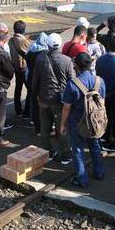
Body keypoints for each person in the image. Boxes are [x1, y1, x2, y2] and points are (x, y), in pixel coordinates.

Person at [60, 52, 106, 188]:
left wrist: (62, 125)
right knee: (95, 146)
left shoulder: (72, 84)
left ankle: (82, 179)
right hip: (95, 120)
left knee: (78, 150)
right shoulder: (99, 81)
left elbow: (67, 107)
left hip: (77, 122)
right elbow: (103, 101)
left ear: (76, 66)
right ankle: (99, 172)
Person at [32, 33, 75, 164]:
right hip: (60, 100)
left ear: (48, 46)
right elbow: (72, 81)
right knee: (61, 127)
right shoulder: (67, 61)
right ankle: (66, 155)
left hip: (44, 99)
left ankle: (48, 152)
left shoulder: (40, 59)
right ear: (60, 45)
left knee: (45, 128)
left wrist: (37, 96)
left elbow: (35, 81)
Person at [8, 20, 31, 117]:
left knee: (18, 89)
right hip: (24, 69)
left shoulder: (11, 40)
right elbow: (30, 53)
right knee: (30, 90)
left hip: (16, 68)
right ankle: (27, 112)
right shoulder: (24, 41)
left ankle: (18, 110)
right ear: (24, 30)